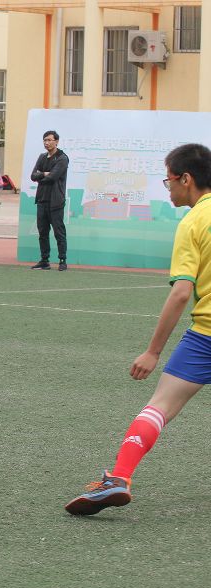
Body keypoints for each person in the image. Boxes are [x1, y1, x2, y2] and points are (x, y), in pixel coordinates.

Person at [65, 143, 211, 515]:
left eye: (168, 180)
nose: (168, 188)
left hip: (205, 336)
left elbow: (182, 292)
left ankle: (119, 478)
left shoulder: (193, 222)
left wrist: (153, 351)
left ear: (186, 179)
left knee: (159, 407)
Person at [30, 130, 70, 271]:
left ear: (56, 142)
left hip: (56, 201)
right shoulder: (42, 157)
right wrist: (44, 174)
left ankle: (62, 260)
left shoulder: (62, 158)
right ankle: (44, 261)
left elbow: (52, 177)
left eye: (49, 140)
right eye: (45, 140)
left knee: (59, 232)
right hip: (42, 199)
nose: (46, 143)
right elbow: (33, 176)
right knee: (42, 232)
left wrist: (41, 175)